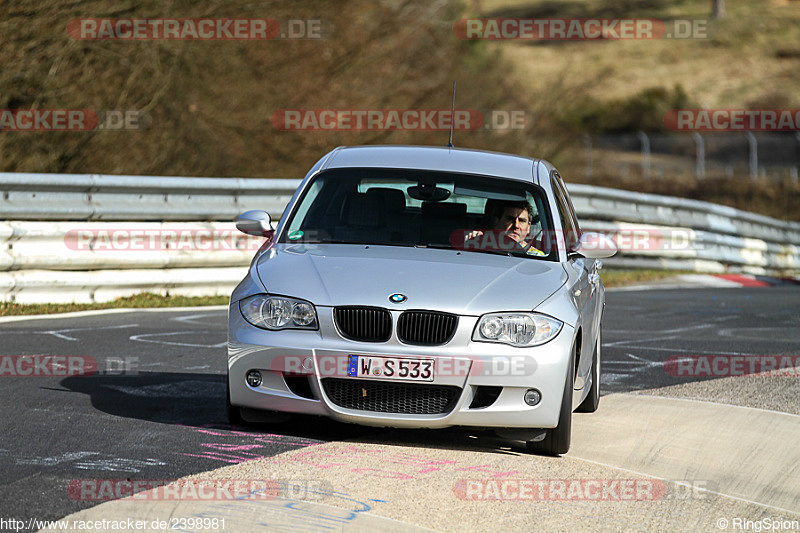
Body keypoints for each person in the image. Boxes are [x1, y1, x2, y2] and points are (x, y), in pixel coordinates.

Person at [464, 200, 544, 255]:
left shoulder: (537, 256)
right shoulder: (479, 245)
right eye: (510, 219)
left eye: (522, 221)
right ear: (496, 222)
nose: (516, 225)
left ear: (528, 227)